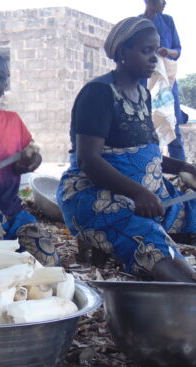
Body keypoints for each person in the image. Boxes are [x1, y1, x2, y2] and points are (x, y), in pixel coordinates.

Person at [57, 17, 196, 282]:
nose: (154, 58)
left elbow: (146, 152)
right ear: (122, 52)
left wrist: (184, 168)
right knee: (153, 245)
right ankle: (187, 295)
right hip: (97, 195)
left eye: (156, 51)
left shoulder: (142, 94)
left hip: (150, 196)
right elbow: (89, 161)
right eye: (146, 51)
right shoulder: (98, 93)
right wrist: (138, 193)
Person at [0, 51, 59, 266]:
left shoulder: (12, 121)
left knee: (47, 260)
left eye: (1, 78)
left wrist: (31, 160)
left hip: (13, 211)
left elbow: (31, 152)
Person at [141, 0, 186, 160]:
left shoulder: (168, 21)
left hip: (167, 81)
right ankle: (149, 164)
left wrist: (168, 52)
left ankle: (181, 171)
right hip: (145, 82)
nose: (165, 2)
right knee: (145, 122)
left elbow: (178, 51)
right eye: (162, 0)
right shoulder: (137, 23)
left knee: (171, 122)